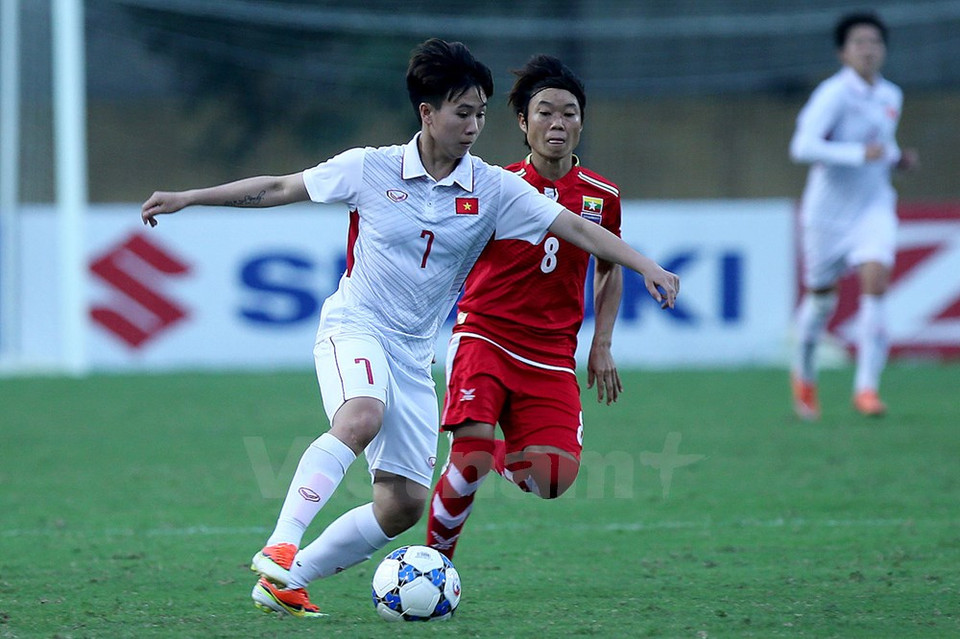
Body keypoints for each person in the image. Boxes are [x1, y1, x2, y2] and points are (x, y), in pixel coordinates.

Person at [141, 38, 679, 618]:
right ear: (427, 113)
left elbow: (577, 229)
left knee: (401, 506)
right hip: (356, 325)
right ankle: (281, 542)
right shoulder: (369, 168)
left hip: (416, 354)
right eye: (461, 112)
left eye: (478, 114)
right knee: (361, 416)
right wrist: (190, 197)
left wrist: (644, 263)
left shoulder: (494, 188)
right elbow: (279, 188)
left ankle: (287, 579)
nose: (473, 126)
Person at [425, 54, 626, 559]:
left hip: (552, 353)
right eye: (545, 112)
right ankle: (433, 563)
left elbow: (608, 265)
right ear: (522, 122)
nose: (557, 122)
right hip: (486, 334)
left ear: (582, 121)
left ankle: (478, 453)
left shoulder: (602, 196)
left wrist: (601, 343)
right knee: (470, 454)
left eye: (569, 113)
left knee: (551, 479)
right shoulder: (493, 184)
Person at [789, 12, 917, 420]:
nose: (868, 49)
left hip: (874, 206)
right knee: (820, 304)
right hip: (827, 215)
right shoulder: (833, 94)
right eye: (860, 42)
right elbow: (803, 147)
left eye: (875, 42)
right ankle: (804, 377)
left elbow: (883, 145)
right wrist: (858, 154)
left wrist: (897, 159)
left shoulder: (890, 95)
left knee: (876, 279)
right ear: (844, 52)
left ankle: (866, 389)